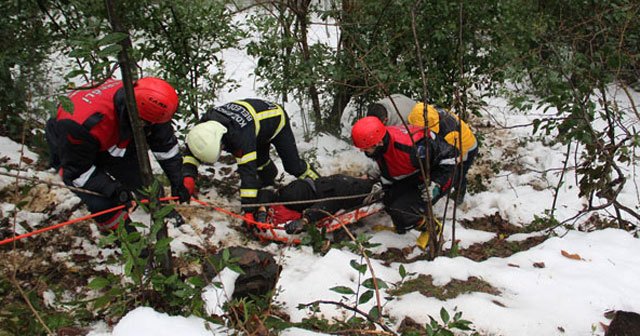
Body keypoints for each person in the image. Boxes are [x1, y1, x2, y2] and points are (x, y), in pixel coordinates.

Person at [45, 77, 190, 235]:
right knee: (104, 203)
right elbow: (77, 173)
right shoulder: (79, 125)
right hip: (73, 146)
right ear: (135, 115)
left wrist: (178, 179)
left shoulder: (149, 103)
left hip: (113, 132)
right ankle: (130, 242)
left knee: (141, 178)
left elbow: (165, 145)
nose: (152, 127)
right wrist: (113, 190)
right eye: (148, 123)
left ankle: (158, 208)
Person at [182, 99, 320, 218]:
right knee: (261, 165)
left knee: (293, 166)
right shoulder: (204, 126)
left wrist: (248, 209)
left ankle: (321, 185)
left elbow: (248, 172)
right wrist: (188, 176)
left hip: (275, 120)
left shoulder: (240, 136)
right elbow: (193, 149)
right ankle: (269, 180)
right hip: (255, 126)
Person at [351, 116, 458, 246]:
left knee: (402, 208)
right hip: (415, 173)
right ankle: (401, 228)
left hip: (439, 175)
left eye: (365, 147)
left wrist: (437, 184)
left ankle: (431, 228)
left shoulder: (414, 149)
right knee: (388, 199)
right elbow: (388, 164)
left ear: (378, 143)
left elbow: (451, 156)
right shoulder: (383, 142)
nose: (362, 150)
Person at [253, 174, 378, 234]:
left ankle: (372, 186)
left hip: (332, 189)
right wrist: (262, 210)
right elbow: (268, 193)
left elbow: (329, 204)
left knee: (353, 189)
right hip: (318, 187)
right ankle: (370, 184)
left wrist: (305, 220)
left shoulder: (346, 193)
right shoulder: (288, 195)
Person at [407, 103, 478, 203]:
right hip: (456, 140)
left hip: (466, 148)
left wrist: (439, 180)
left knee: (459, 172)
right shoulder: (430, 112)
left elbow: (451, 157)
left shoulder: (449, 134)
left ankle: (459, 195)